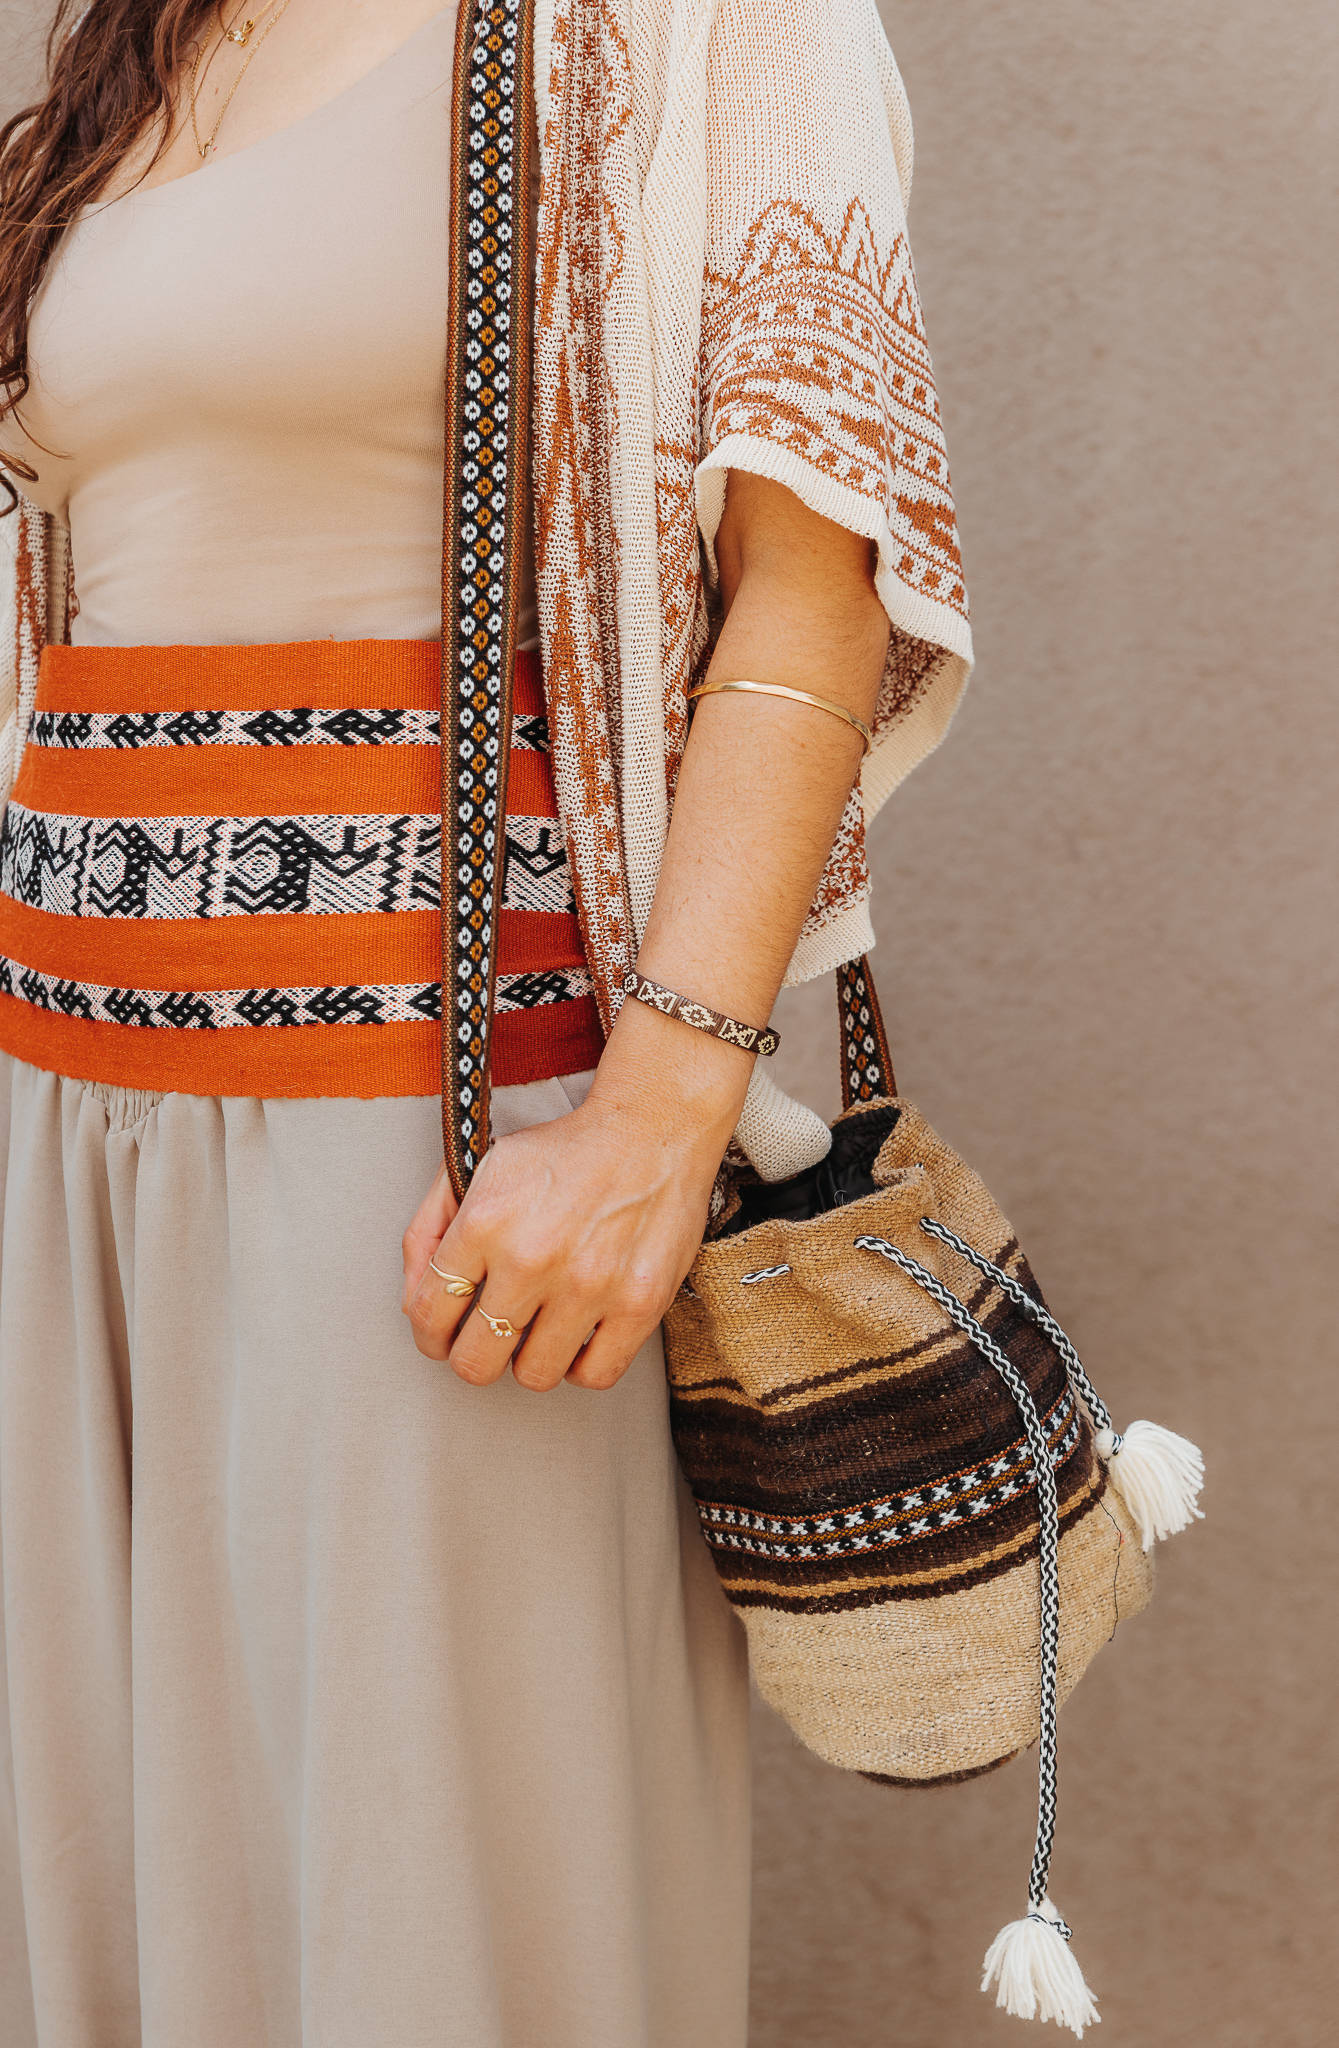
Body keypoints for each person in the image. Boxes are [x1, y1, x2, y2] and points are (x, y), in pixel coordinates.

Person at [0, 0, 972, 2039]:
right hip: (62, 1143)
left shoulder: (690, 23)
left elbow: (814, 581)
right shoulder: (142, 42)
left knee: (423, 1930)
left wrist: (656, 1122)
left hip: (432, 1143)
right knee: (100, 1916)